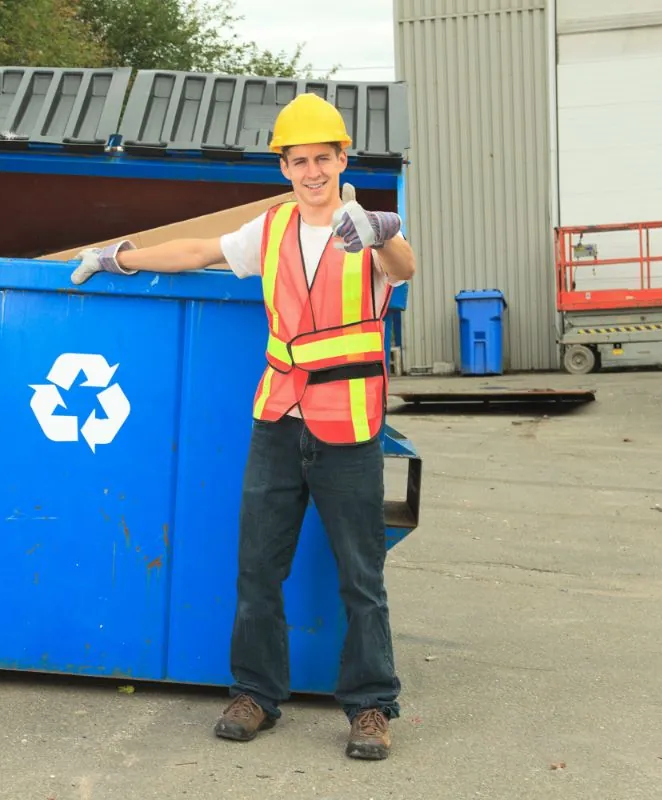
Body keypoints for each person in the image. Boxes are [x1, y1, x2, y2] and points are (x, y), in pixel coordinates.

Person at [68, 92, 416, 761]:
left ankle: (371, 706)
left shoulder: (365, 227)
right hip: (279, 419)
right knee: (258, 567)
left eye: (323, 158)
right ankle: (256, 692)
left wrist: (387, 234)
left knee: (360, 575)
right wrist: (122, 256)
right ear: (284, 166)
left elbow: (404, 270)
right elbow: (199, 250)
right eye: (299, 160)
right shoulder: (274, 227)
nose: (312, 171)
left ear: (343, 158)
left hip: (347, 423)